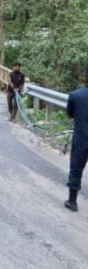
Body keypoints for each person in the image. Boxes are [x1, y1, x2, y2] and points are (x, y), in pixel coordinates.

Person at [64, 67, 88, 212]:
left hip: (82, 139)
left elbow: (70, 115)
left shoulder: (75, 95)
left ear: (85, 77)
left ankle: (72, 202)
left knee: (76, 168)